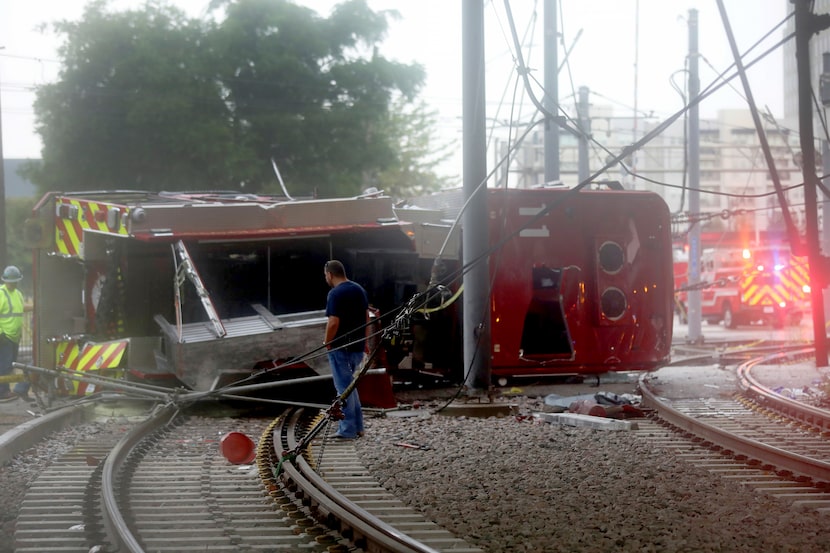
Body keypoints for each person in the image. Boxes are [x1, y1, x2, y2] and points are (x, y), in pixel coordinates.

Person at [323, 260, 368, 439]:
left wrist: (327, 341)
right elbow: (366, 317)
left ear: (330, 274)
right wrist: (365, 340)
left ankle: (347, 430)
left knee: (343, 389)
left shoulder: (335, 293)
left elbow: (334, 321)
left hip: (340, 347)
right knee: (351, 388)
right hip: (357, 346)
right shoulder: (359, 289)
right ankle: (358, 427)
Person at [0, 266, 32, 402]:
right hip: (5, 336)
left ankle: (13, 390)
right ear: (5, 280)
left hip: (14, 336)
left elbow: (20, 308)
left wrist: (36, 306)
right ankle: (3, 392)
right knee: (4, 365)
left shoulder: (18, 293)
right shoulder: (1, 293)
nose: (13, 283)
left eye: (15, 281)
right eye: (11, 281)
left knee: (11, 365)